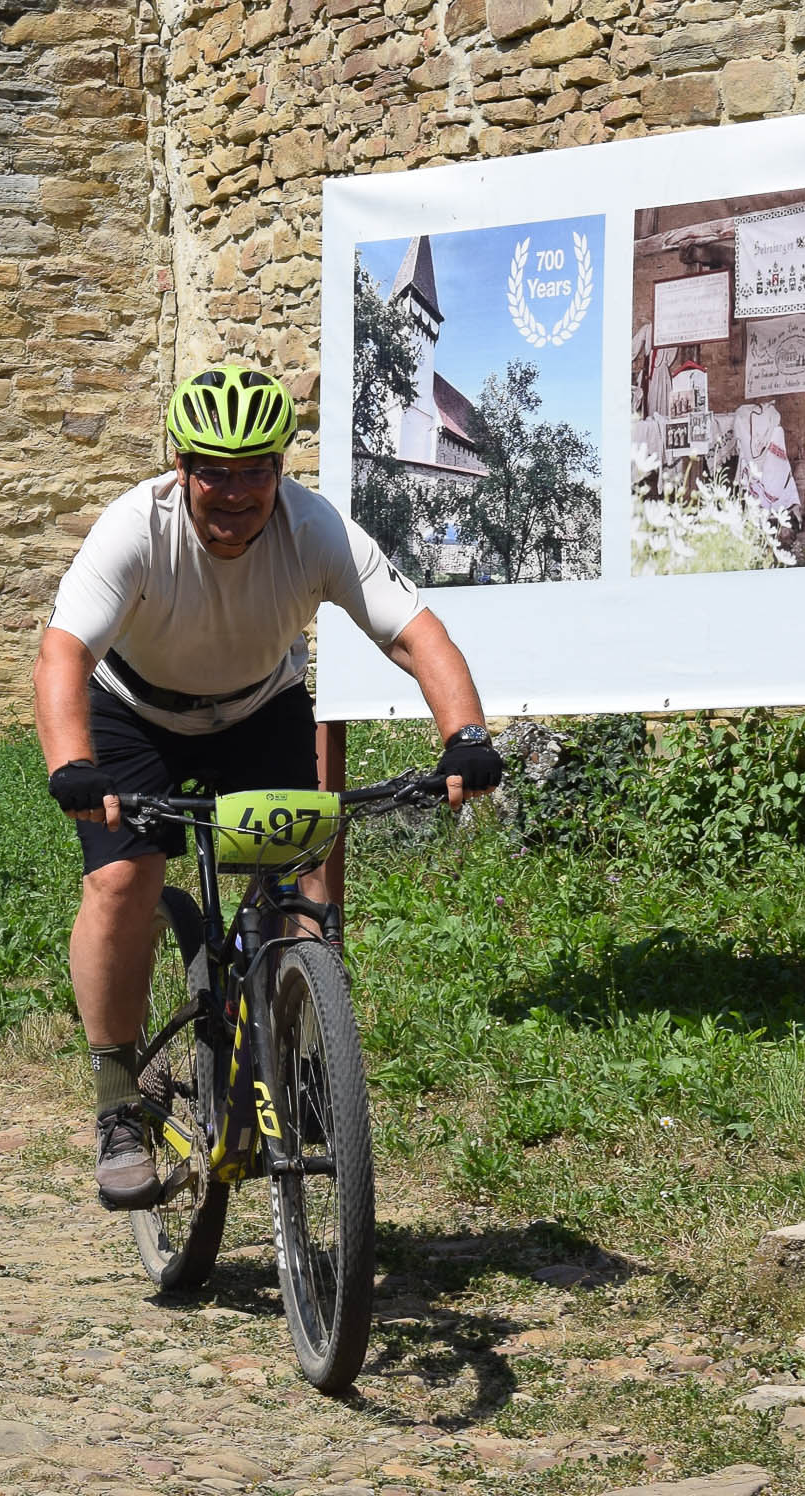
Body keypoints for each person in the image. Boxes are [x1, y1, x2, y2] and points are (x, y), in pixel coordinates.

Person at [34, 360, 500, 1211]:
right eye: (215, 472)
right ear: (182, 469)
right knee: (124, 877)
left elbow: (413, 633)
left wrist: (464, 734)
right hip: (134, 713)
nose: (236, 493)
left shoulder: (313, 529)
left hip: (259, 707)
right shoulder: (134, 530)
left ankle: (305, 1040)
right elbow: (64, 655)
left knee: (305, 868)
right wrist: (72, 765)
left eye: (255, 471)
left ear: (280, 471)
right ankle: (117, 1103)